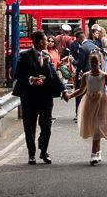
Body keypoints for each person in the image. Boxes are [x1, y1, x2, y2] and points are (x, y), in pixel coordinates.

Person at [12, 30, 69, 164]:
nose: (48, 42)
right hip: (29, 97)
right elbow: (18, 75)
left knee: (46, 126)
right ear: (38, 42)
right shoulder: (25, 56)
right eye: (45, 40)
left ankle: (43, 151)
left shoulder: (46, 56)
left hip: (45, 97)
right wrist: (31, 79)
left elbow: (54, 76)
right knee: (30, 126)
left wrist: (64, 90)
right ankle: (31, 154)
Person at [67, 50, 107, 165]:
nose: (93, 64)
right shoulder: (86, 76)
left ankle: (93, 154)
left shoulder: (104, 76)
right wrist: (70, 96)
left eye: (96, 62)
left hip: (102, 103)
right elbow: (81, 90)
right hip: (89, 103)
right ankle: (98, 151)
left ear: (100, 62)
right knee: (93, 127)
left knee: (98, 127)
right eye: (92, 62)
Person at [71, 29, 96, 121]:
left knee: (79, 94)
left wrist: (72, 61)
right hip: (94, 73)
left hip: (83, 74)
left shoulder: (82, 48)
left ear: (78, 39)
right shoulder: (94, 46)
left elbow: (80, 63)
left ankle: (79, 114)